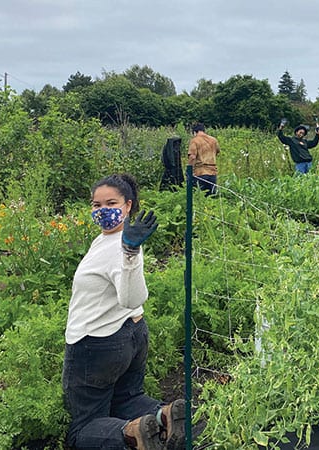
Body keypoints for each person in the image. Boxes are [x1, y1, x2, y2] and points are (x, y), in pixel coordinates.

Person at [62, 173, 185, 450]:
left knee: (82, 429)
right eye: (96, 205)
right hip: (130, 334)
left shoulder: (124, 245)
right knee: (126, 399)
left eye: (111, 203)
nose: (102, 211)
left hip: (96, 343)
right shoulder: (108, 239)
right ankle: (163, 417)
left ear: (128, 206)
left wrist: (130, 251)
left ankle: (131, 436)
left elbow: (133, 297)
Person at [187, 122, 220, 195]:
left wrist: (189, 171)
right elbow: (217, 151)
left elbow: (192, 157)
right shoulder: (213, 140)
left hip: (200, 172)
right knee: (212, 197)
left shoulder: (195, 140)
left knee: (199, 197)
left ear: (195, 132)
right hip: (212, 172)